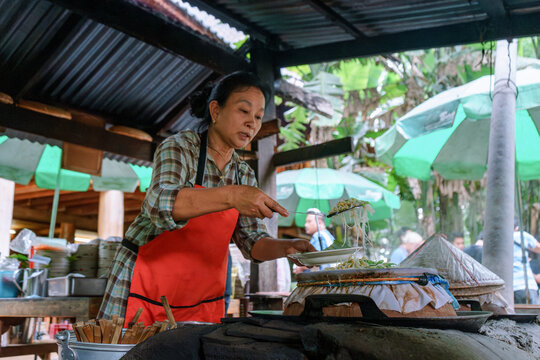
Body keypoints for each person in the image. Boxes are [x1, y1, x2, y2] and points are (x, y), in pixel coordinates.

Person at [98, 72, 316, 325]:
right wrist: (232, 196)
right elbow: (159, 205)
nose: (252, 123)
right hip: (144, 288)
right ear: (215, 110)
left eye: (258, 116)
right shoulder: (180, 147)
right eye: (244, 111)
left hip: (200, 299)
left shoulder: (242, 173)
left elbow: (252, 243)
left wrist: (287, 248)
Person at [293, 208, 335, 273]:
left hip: (323, 277)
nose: (305, 225)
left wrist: (301, 268)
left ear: (320, 223)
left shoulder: (318, 236)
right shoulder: (329, 236)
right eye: (306, 222)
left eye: (309, 221)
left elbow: (316, 261)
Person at [513, 219, 540, 304]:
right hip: (526, 285)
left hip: (506, 289)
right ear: (516, 228)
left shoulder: (495, 239)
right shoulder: (521, 236)